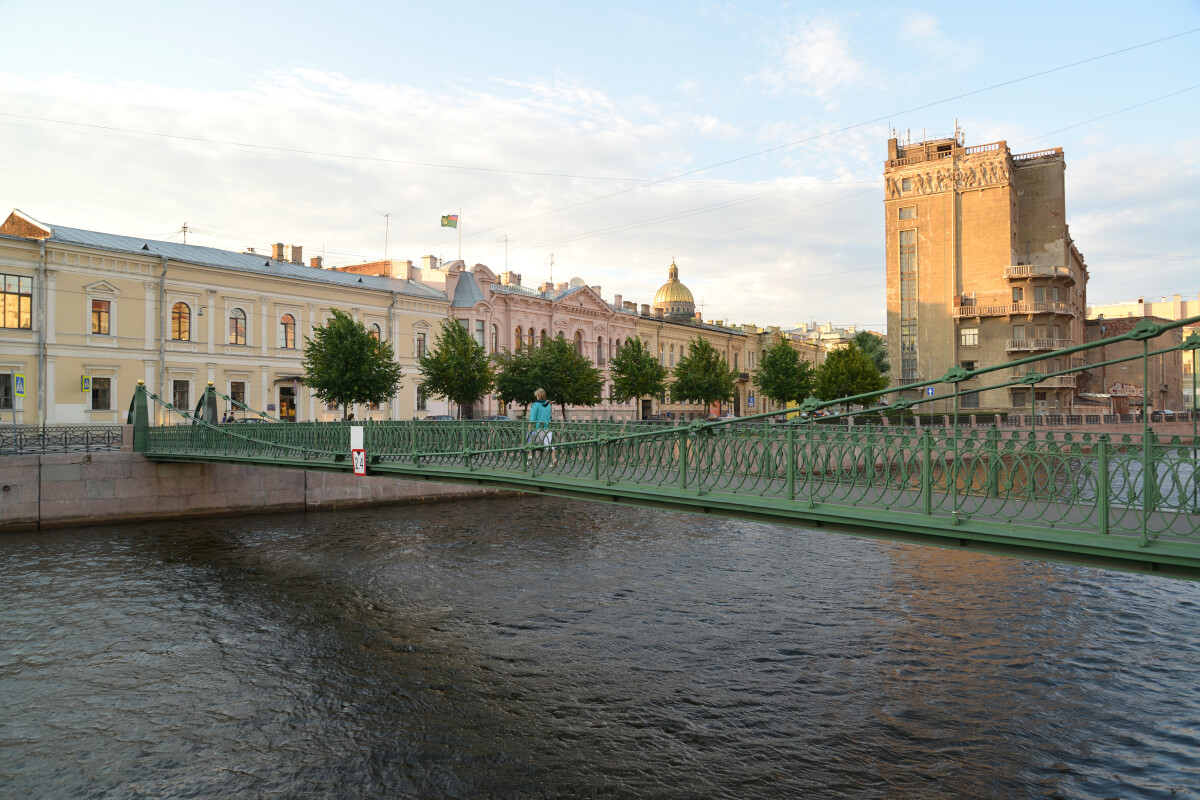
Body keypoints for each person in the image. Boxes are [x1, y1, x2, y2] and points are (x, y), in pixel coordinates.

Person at [527, 388, 555, 462]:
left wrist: (530, 425)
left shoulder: (535, 405)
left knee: (530, 442)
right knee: (548, 444)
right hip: (547, 427)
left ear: (538, 396)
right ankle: (554, 459)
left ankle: (529, 459)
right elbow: (549, 416)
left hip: (538, 427)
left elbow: (533, 417)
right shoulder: (548, 404)